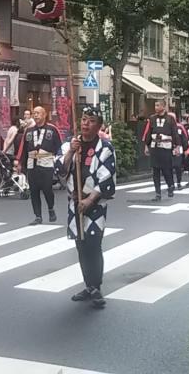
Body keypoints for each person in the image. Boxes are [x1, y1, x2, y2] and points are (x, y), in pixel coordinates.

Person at [59, 107, 116, 309]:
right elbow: (60, 170)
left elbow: (107, 177)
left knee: (93, 243)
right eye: (83, 119)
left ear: (98, 125)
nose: (85, 124)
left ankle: (96, 286)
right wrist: (70, 153)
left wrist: (90, 200)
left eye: (91, 121)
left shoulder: (105, 147)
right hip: (75, 203)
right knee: (81, 245)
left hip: (95, 203)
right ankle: (88, 285)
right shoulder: (70, 144)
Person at [17, 106, 62, 225]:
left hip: (46, 163)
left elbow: (59, 147)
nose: (35, 115)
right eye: (34, 113)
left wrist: (59, 162)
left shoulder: (52, 129)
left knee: (47, 189)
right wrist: (20, 162)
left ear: (44, 114)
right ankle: (38, 216)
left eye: (38, 113)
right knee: (34, 191)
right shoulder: (28, 131)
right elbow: (23, 148)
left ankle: (51, 208)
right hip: (32, 164)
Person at [142, 100, 181, 200]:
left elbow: (175, 133)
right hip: (155, 146)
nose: (156, 107)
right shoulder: (152, 118)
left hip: (166, 146)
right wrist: (146, 145)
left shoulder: (170, 119)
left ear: (163, 107)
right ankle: (158, 193)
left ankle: (170, 185)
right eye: (155, 105)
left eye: (158, 105)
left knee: (166, 169)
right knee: (155, 171)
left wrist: (177, 146)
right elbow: (149, 132)